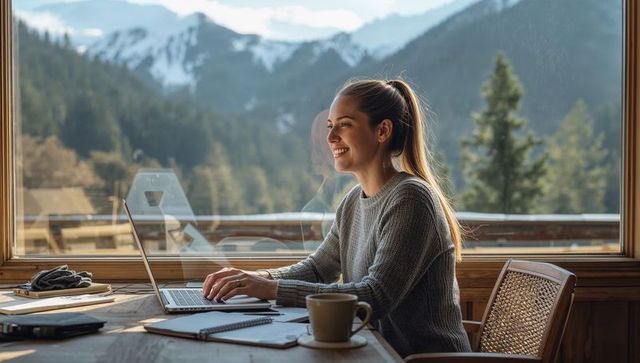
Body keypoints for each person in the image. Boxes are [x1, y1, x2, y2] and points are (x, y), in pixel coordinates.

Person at [202, 79, 471, 357]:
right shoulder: (353, 201)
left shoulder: (411, 198)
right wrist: (256, 277)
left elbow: (375, 297)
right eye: (330, 126)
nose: (330, 138)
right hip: (375, 353)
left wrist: (271, 288)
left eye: (345, 124)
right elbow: (319, 268)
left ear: (383, 130)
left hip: (423, 358)